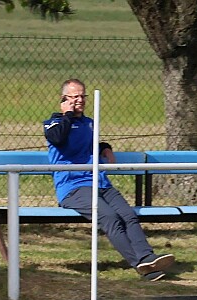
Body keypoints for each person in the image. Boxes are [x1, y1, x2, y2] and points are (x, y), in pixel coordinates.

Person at [44, 79, 175, 281]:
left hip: (100, 183)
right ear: (64, 99)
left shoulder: (88, 123)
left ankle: (147, 257)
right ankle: (140, 265)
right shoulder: (54, 123)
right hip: (74, 188)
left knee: (128, 215)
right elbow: (57, 138)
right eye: (74, 97)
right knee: (110, 218)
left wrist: (105, 147)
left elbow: (87, 146)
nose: (80, 100)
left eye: (82, 96)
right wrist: (67, 114)